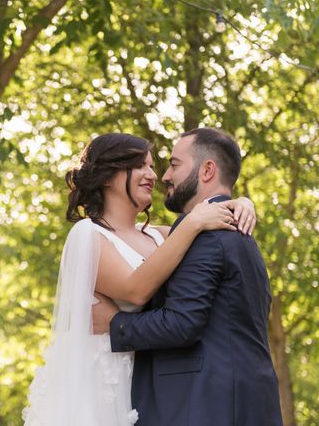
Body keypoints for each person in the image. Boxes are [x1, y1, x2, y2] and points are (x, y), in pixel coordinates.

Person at [23, 132, 256, 426]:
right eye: (140, 166)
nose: (153, 175)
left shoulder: (160, 236)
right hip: (102, 385)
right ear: (107, 176)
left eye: (151, 165)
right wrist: (194, 220)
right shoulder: (89, 236)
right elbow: (135, 290)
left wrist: (242, 203)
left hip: (151, 384)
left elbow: (210, 228)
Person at [95, 128, 283, 425]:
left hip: (207, 404)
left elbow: (182, 323)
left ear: (207, 170)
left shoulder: (205, 236)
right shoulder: (225, 231)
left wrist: (113, 324)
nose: (163, 175)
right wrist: (239, 202)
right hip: (246, 398)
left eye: (174, 164)